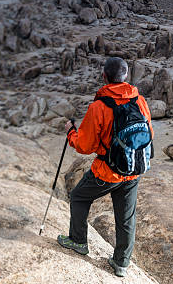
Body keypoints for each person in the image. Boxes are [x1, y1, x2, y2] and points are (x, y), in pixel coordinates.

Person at [57, 57, 154, 277]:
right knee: (126, 217)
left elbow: (84, 145)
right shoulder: (139, 101)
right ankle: (121, 264)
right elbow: (149, 134)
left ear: (104, 77)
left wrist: (71, 132)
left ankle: (78, 241)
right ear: (126, 76)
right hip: (133, 169)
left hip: (107, 171)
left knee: (80, 196)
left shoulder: (99, 107)